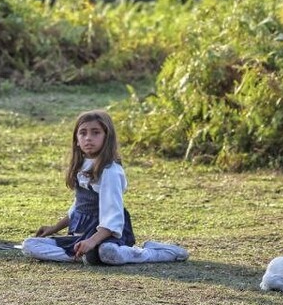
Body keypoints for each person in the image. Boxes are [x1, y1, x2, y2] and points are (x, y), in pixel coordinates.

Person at [21, 109, 188, 265]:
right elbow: (79, 207)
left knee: (108, 252)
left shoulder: (110, 171)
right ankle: (85, 254)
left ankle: (154, 252)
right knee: (29, 245)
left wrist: (92, 241)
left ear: (106, 137)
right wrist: (54, 228)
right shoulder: (81, 166)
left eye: (95, 133)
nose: (88, 138)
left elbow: (113, 216)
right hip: (82, 233)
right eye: (83, 133)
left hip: (107, 235)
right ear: (77, 141)